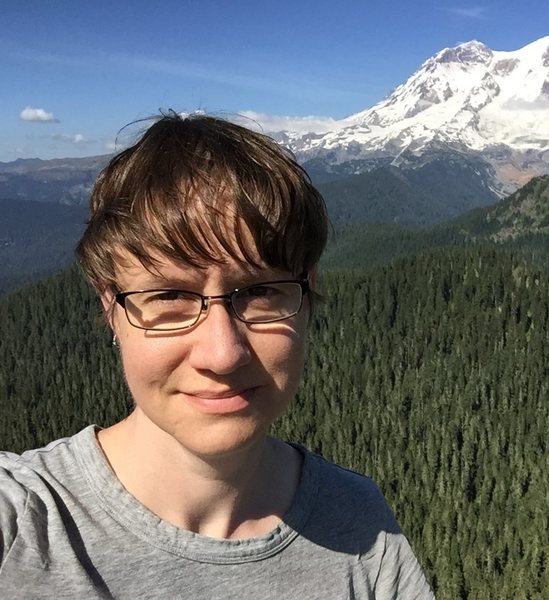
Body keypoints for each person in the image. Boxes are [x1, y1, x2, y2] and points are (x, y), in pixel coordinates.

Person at [0, 112, 434, 599]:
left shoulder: (360, 524)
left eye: (262, 291)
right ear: (110, 307)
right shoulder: (22, 517)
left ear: (307, 296)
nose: (223, 353)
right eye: (169, 297)